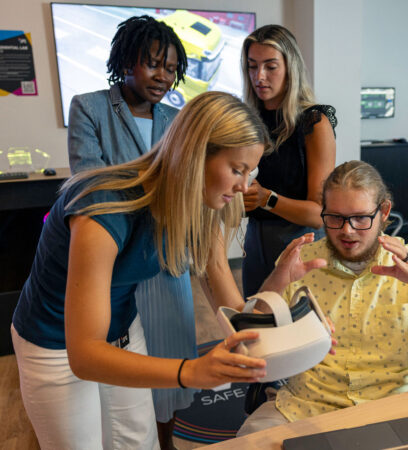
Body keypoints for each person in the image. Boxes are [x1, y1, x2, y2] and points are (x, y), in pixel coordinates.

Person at [11, 92, 275, 449]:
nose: (245, 186)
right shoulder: (104, 207)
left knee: (140, 441)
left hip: (121, 327)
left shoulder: (200, 203)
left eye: (250, 171)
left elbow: (223, 291)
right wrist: (190, 371)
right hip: (53, 343)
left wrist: (282, 330)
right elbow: (85, 355)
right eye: (237, 169)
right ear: (197, 154)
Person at [237, 160, 408, 435]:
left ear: (383, 211)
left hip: (396, 413)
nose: (347, 230)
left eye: (360, 218)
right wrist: (277, 281)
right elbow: (245, 351)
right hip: (303, 410)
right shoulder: (301, 260)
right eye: (335, 217)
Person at [66, 16, 191, 448]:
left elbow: (187, 186)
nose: (163, 76)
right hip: (114, 263)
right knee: (122, 367)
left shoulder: (177, 119)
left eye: (171, 67)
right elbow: (90, 182)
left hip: (167, 257)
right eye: (153, 63)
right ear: (126, 61)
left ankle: (167, 441)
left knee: (173, 362)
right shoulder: (90, 106)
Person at [240, 24, 337, 297]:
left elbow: (318, 215)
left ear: (290, 67)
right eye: (252, 66)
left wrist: (265, 198)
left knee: (301, 331)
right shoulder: (248, 121)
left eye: (270, 66)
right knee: (260, 325)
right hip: (254, 242)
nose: (259, 76)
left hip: (301, 245)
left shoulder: (314, 123)